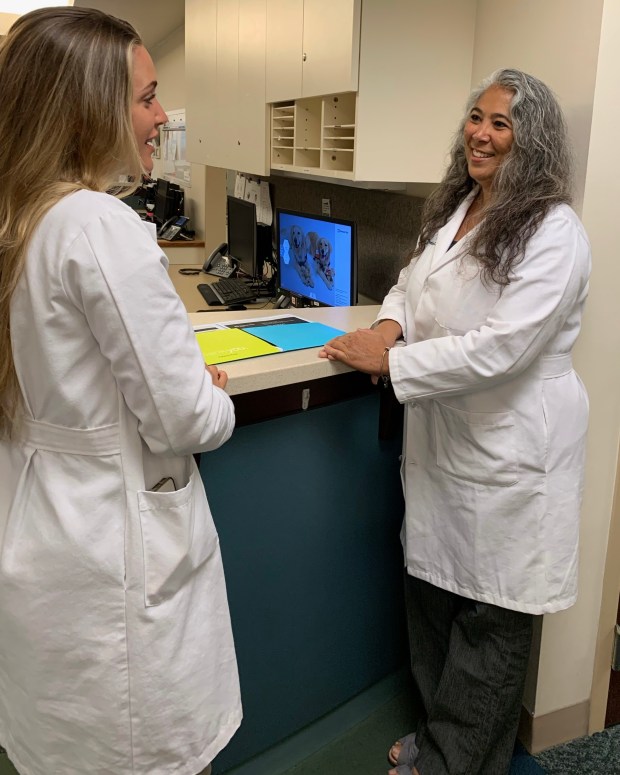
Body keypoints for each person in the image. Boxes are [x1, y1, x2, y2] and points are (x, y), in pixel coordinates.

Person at [320, 68, 591, 775]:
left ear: (531, 141)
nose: (480, 132)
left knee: (490, 629)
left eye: (500, 123)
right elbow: (410, 284)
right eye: (476, 116)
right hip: (445, 447)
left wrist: (393, 365)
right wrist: (384, 328)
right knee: (435, 610)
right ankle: (449, 748)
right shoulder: (458, 209)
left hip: (509, 459)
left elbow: (502, 350)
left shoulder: (554, 232)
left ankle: (451, 764)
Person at [0, 8, 241, 775]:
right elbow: (184, 415)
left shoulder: (21, 218)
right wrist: (211, 393)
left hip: (43, 542)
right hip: (113, 559)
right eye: (145, 98)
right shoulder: (99, 225)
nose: (161, 115)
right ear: (88, 105)